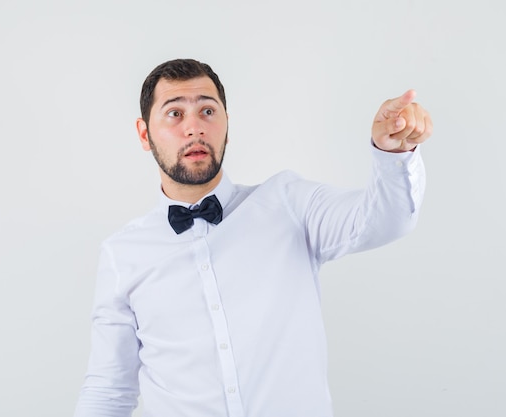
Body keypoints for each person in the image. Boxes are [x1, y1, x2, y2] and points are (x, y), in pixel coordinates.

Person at [74, 58, 432, 417]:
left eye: (208, 111)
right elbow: (108, 391)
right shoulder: (123, 254)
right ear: (144, 134)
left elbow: (385, 220)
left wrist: (392, 153)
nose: (195, 128)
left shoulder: (289, 203)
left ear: (227, 126)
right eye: (175, 114)